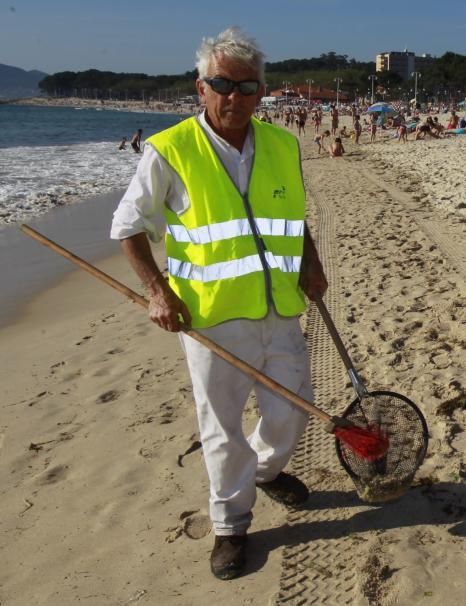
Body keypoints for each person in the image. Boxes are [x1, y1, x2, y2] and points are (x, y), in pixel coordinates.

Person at [109, 27, 328, 581]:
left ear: (261, 91)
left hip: (279, 308)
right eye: (222, 84)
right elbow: (128, 227)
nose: (235, 97)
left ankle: (264, 469)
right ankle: (231, 525)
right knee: (221, 426)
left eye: (247, 86)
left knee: (292, 409)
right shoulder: (170, 149)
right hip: (208, 316)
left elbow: (292, 217)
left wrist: (310, 260)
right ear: (200, 87)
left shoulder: (281, 144)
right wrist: (157, 292)